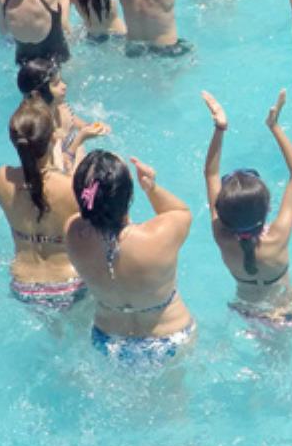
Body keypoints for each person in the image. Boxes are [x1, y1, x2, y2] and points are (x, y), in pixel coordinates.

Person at [65, 150, 195, 367]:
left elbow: (85, 213)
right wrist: (151, 187)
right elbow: (180, 211)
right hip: (167, 338)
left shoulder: (72, 232)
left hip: (108, 340)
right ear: (128, 195)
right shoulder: (157, 236)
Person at [202, 90, 292, 327]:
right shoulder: (278, 236)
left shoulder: (221, 235)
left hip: (245, 310)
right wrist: (274, 126)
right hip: (283, 312)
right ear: (267, 207)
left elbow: (211, 173)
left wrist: (220, 128)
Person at [0, 97, 86, 309]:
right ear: (54, 137)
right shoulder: (70, 186)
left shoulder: (2, 179)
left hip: (23, 285)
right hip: (69, 283)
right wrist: (74, 148)